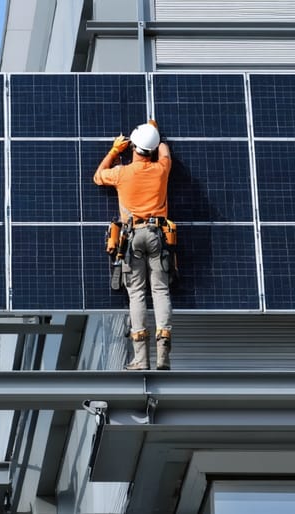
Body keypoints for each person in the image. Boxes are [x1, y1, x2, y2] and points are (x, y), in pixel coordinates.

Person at [93, 121, 173, 370]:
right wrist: (155, 132)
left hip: (132, 237)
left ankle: (141, 358)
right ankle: (163, 354)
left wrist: (114, 150)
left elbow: (98, 176)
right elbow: (165, 151)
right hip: (157, 235)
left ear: (133, 147)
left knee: (136, 293)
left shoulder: (121, 173)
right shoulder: (162, 169)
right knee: (160, 290)